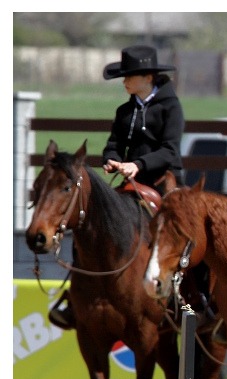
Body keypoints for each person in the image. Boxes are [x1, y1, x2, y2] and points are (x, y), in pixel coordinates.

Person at [48, 45, 185, 330]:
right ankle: (76, 298)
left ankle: (194, 299)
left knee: (182, 232)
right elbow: (113, 143)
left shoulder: (171, 107)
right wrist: (112, 159)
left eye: (129, 76)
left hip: (164, 181)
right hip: (129, 183)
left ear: (148, 76)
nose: (124, 81)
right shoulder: (125, 110)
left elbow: (170, 151)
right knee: (92, 226)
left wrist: (139, 165)